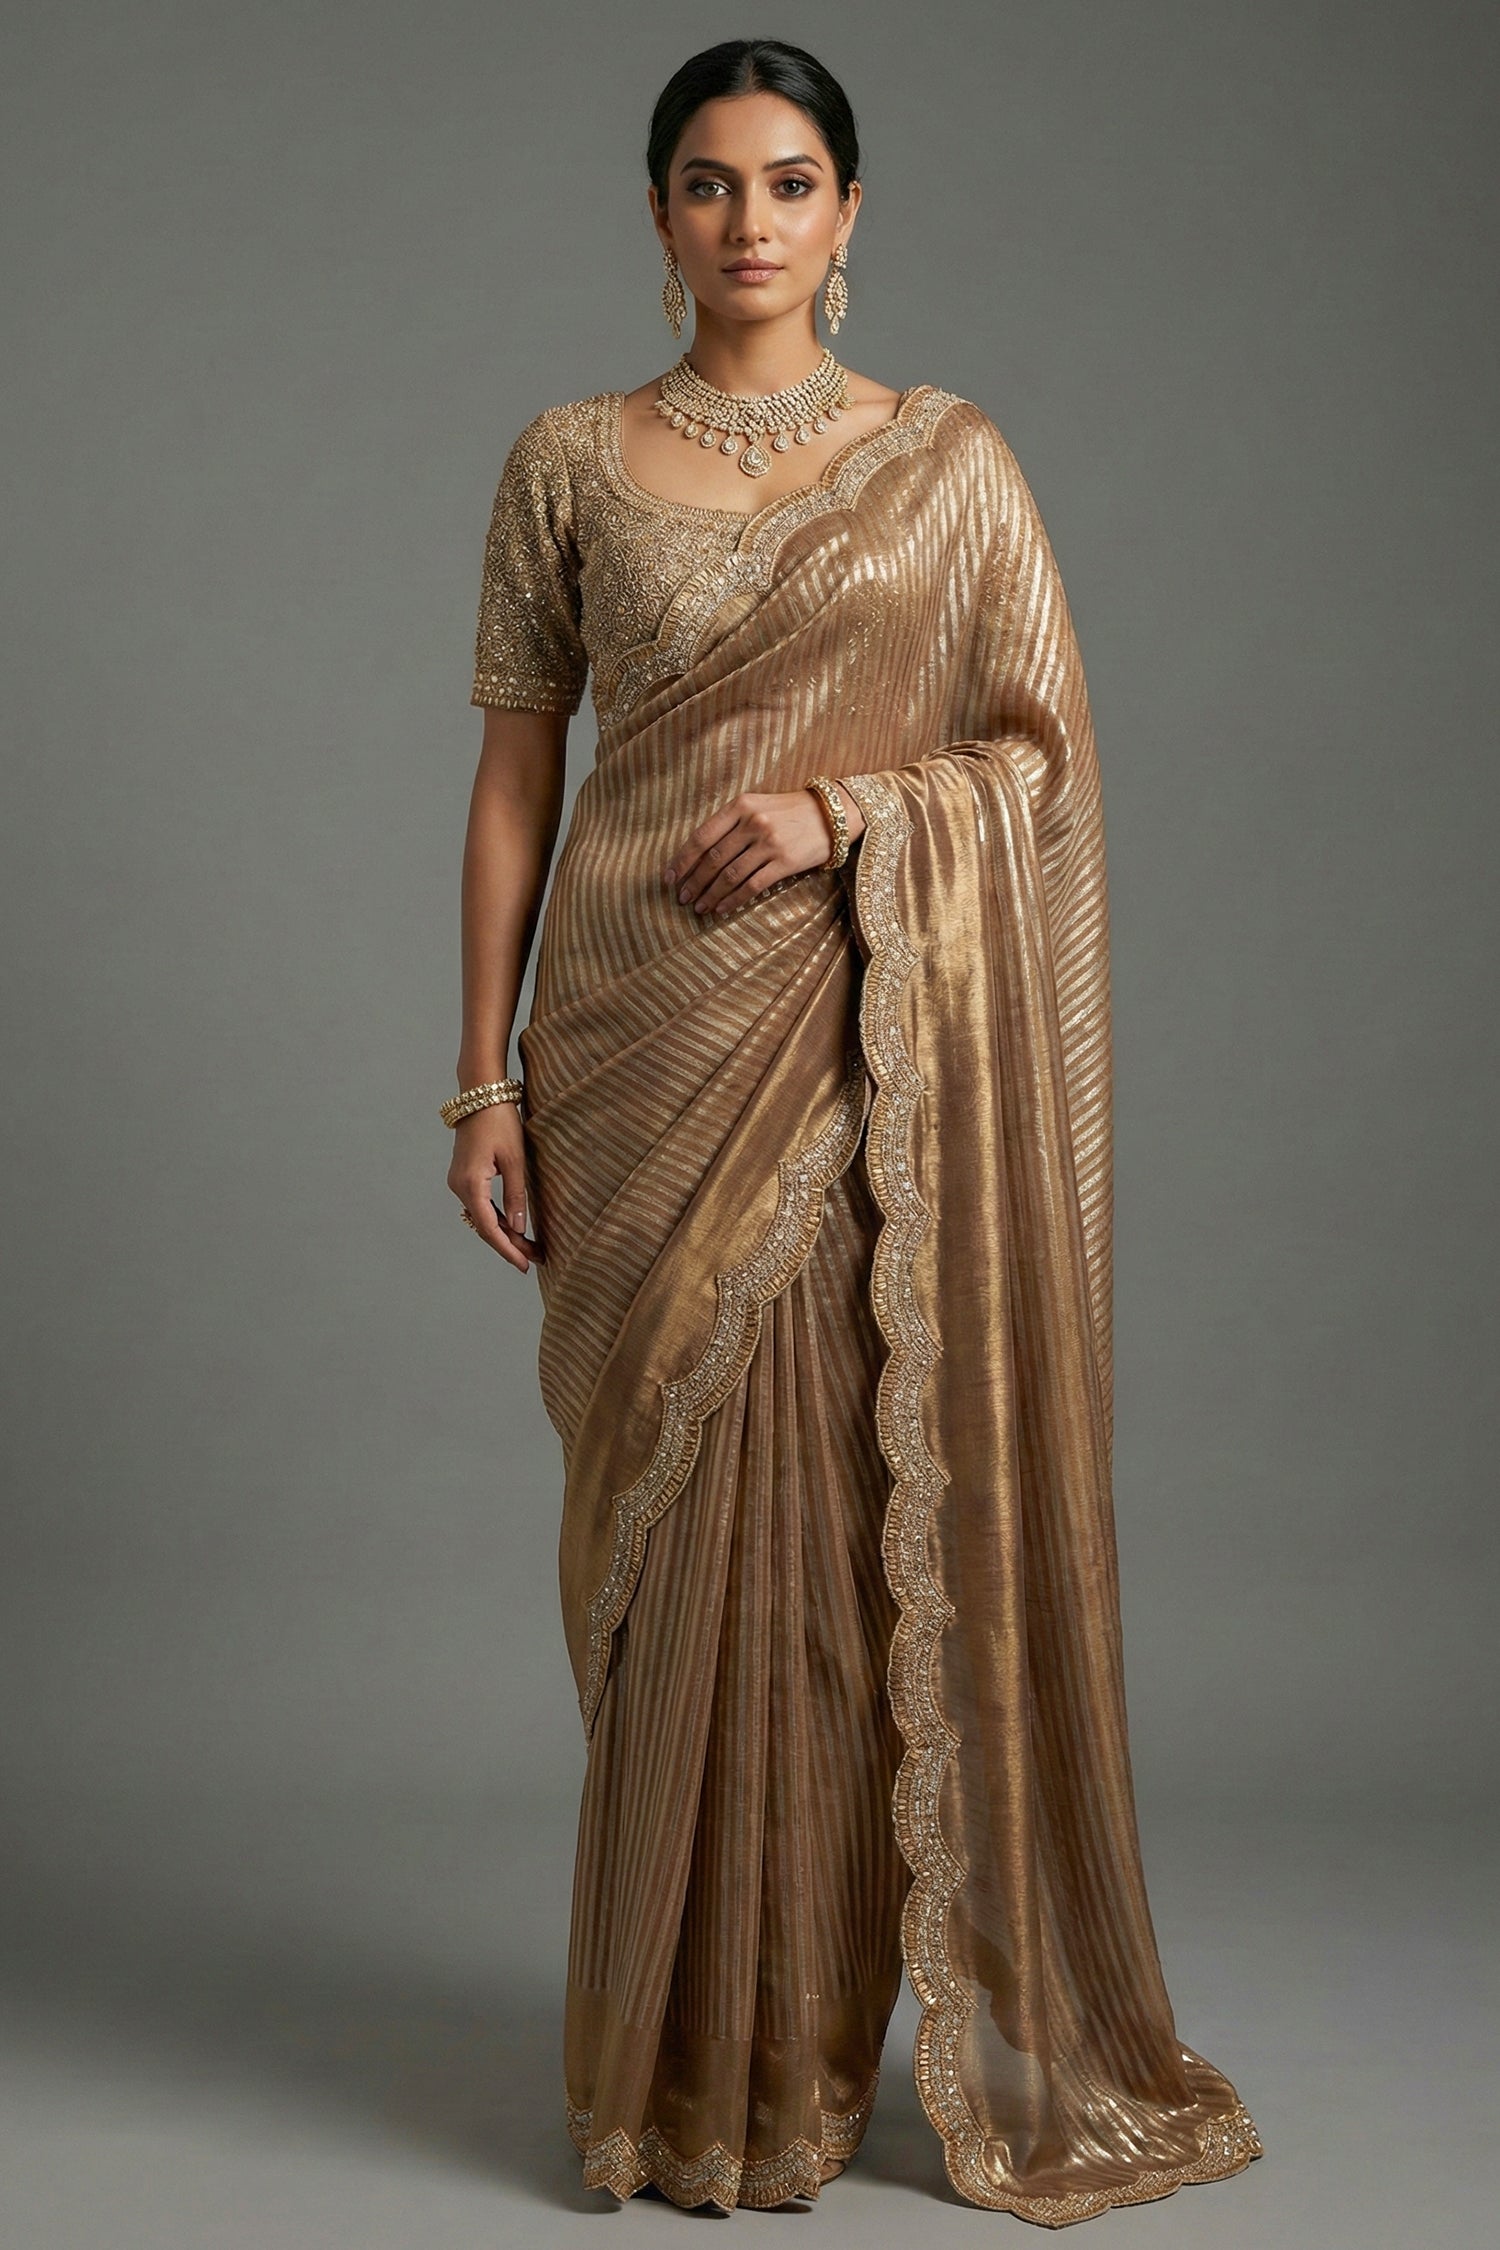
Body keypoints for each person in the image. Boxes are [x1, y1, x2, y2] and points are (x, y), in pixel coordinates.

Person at [444, 35, 1263, 2226]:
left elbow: (1042, 765)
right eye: (709, 183)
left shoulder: (950, 465)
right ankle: (659, 2078)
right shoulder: (565, 461)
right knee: (662, 1576)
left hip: (851, 1046)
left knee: (824, 1554)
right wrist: (481, 1072)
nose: (750, 222)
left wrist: (847, 814)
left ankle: (787, 2078)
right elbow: (516, 779)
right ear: (657, 214)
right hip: (629, 1055)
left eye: (789, 181)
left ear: (851, 211)